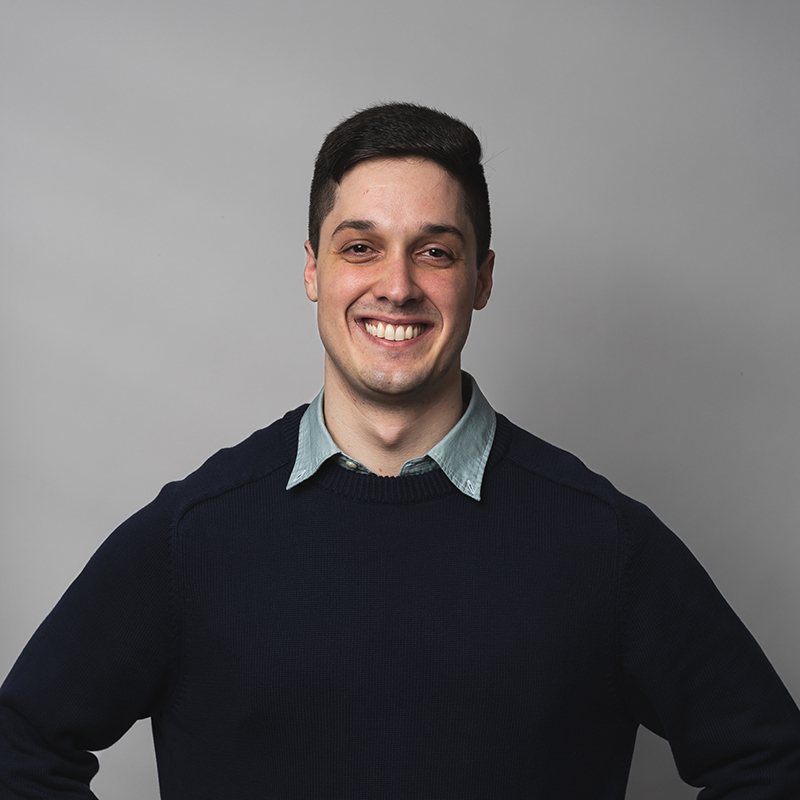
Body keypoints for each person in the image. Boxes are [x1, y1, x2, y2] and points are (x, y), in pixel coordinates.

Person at [1, 103, 799, 799]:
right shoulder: (193, 536)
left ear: (482, 278)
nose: (397, 285)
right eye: (359, 247)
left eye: (436, 251)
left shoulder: (601, 541)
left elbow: (771, 762)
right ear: (312, 271)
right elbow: (21, 746)